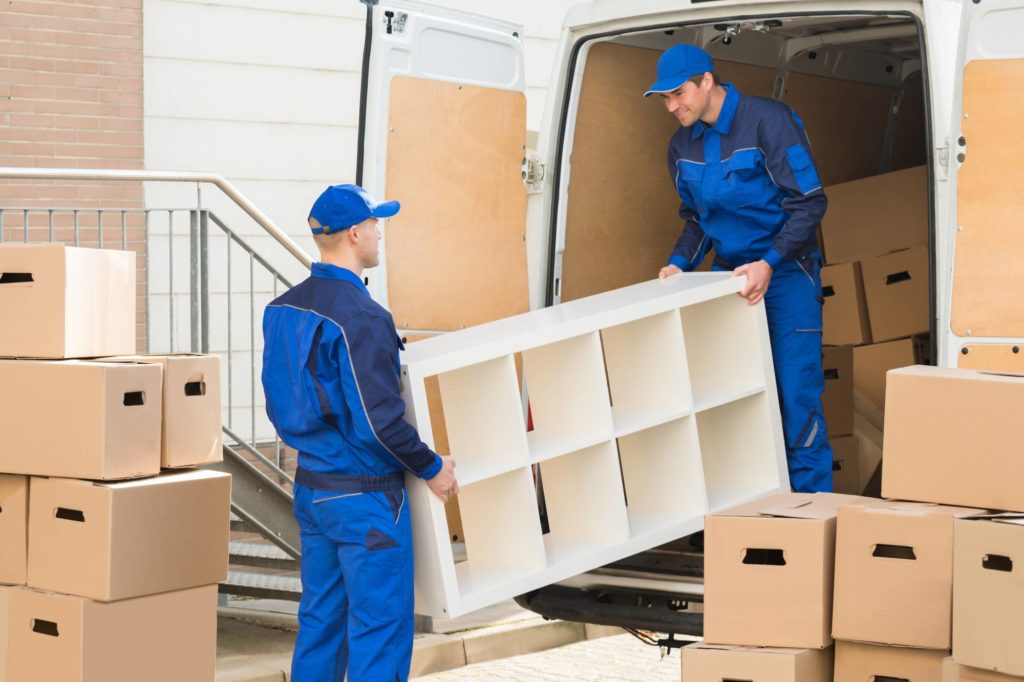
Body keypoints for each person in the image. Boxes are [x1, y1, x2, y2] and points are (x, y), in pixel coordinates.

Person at [261, 184, 458, 681]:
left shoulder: (282, 309)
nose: (379, 233)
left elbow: (279, 398)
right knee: (379, 635)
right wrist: (432, 467)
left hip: (313, 490)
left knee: (321, 626)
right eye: (375, 224)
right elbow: (379, 422)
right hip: (364, 501)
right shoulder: (362, 316)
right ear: (354, 233)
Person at [646, 44, 833, 493]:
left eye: (678, 94)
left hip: (786, 275)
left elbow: (810, 203)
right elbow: (696, 219)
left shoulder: (769, 122)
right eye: (665, 98)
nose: (672, 107)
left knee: (796, 400)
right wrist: (678, 265)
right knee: (738, 407)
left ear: (707, 82)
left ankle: (811, 525)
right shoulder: (679, 146)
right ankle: (754, 525)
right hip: (727, 281)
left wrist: (769, 263)